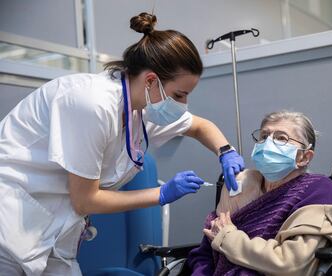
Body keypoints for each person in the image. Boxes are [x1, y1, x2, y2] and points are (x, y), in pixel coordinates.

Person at [0, 12, 245, 275]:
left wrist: (226, 151)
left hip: (52, 232)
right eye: (179, 94)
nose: (182, 104)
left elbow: (199, 126)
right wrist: (161, 194)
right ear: (151, 80)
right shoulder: (91, 103)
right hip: (11, 223)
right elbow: (85, 200)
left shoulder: (142, 109)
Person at [187, 111, 332, 276]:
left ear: (304, 157)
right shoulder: (240, 184)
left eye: (281, 138)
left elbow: (290, 263)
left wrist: (228, 238)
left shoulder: (316, 188)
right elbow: (207, 249)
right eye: (264, 136)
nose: (268, 143)